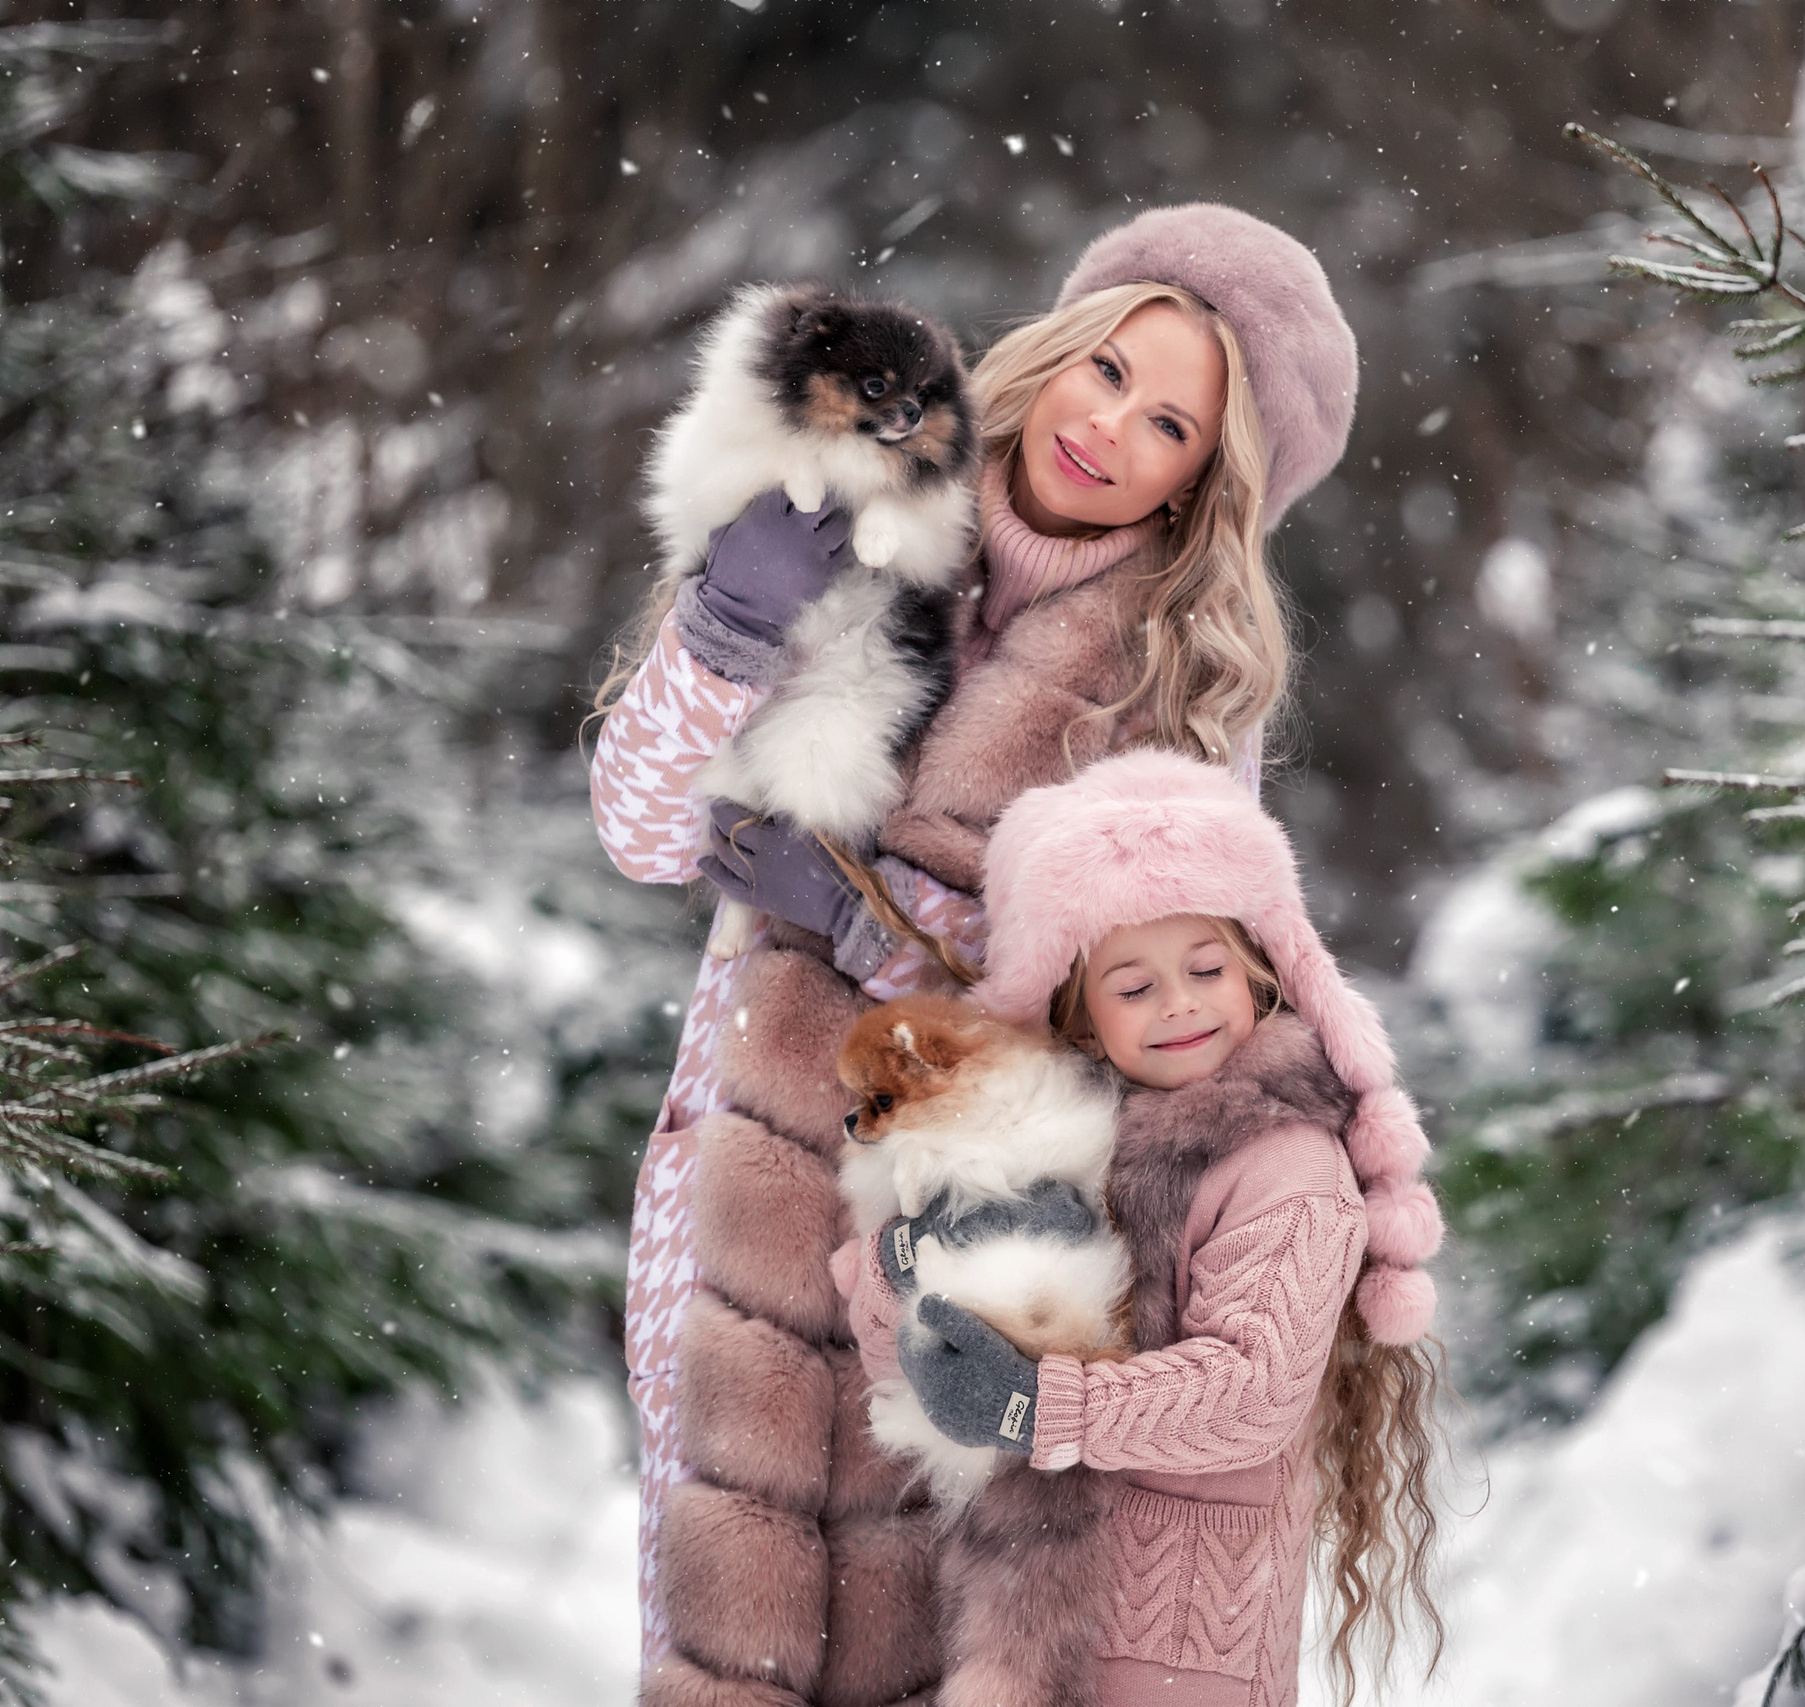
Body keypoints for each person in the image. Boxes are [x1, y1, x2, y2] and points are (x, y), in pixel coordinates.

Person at [586, 204, 1391, 1669]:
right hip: (729, 1187)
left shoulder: (1179, 686)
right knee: (718, 1638)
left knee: (902, 1654)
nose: (1110, 430)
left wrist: (871, 926)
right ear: (1061, 347)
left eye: (1171, 426)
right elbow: (642, 830)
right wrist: (725, 623)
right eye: (1109, 371)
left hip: (943, 1235)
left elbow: (1128, 1011)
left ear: (1206, 478)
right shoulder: (862, 517)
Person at [844, 750, 1445, 1706]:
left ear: (1261, 975)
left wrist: (1037, 1406)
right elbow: (906, 1358)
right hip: (1022, 1625)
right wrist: (913, 1255)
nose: (1177, 1001)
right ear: (1079, 1023)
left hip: (1182, 1647)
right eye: (1133, 986)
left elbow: (1253, 1391)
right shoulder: (1058, 1148)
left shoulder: (1287, 1167)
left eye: (1206, 967)